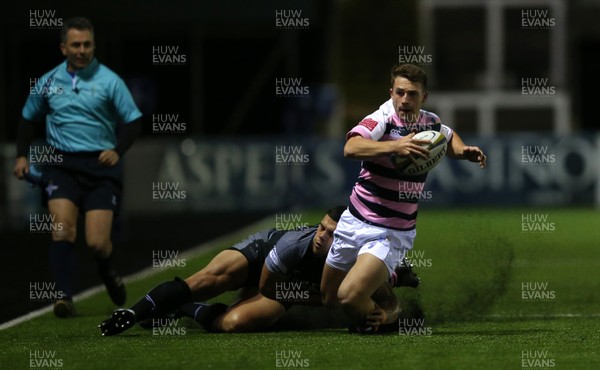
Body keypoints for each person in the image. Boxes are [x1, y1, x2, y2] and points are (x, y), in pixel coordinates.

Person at [320, 63, 487, 331]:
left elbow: (447, 134)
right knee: (329, 299)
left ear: (424, 97)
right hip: (354, 220)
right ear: (391, 93)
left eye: (412, 94)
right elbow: (350, 147)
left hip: (391, 231)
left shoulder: (429, 122)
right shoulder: (382, 119)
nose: (405, 100)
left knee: (349, 296)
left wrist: (461, 150)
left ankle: (391, 313)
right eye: (399, 93)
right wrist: (396, 145)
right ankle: (392, 277)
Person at [99, 206, 410, 335]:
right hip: (263, 263)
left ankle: (184, 309)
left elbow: (391, 303)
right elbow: (267, 288)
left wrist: (387, 316)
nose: (321, 236)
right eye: (321, 229)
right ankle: (134, 311)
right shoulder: (292, 247)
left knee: (233, 323)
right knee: (206, 280)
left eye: (332, 235)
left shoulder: (360, 258)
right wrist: (325, 300)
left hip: (287, 286)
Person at [12, 17, 142, 317]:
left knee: (97, 243)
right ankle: (64, 297)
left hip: (100, 168)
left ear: (93, 45)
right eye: (76, 45)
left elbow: (133, 120)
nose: (82, 50)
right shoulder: (46, 82)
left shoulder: (109, 80)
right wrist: (22, 156)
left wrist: (117, 150)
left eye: (87, 44)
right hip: (62, 166)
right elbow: (28, 120)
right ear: (63, 48)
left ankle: (107, 270)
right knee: (62, 229)